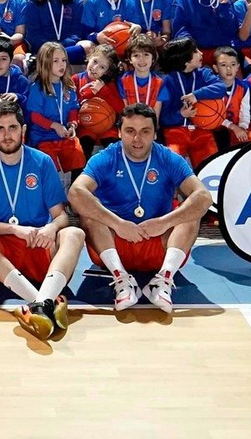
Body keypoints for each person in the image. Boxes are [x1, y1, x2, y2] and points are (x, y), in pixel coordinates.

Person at [69, 103, 212, 313]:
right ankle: (121, 280)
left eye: (145, 131)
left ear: (155, 134)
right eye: (130, 131)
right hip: (114, 243)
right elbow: (75, 193)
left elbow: (203, 197)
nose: (137, 139)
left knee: (191, 211)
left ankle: (162, 280)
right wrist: (118, 224)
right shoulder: (107, 157)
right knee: (88, 211)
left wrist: (164, 222)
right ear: (119, 133)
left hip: (158, 244)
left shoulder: (168, 158)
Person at [0, 101, 85, 340]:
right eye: (0, 128)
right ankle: (42, 301)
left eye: (12, 127)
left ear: (23, 130)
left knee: (74, 233)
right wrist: (13, 230)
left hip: (35, 243)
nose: (7, 135)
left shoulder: (41, 162)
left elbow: (60, 216)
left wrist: (50, 228)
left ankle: (37, 306)